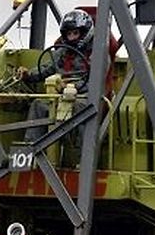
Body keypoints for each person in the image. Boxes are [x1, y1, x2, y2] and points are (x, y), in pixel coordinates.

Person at [20, 9, 110, 143]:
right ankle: (31, 148)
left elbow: (95, 82)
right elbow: (46, 68)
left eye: (75, 33)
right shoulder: (61, 52)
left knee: (79, 109)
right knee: (38, 105)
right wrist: (28, 74)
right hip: (61, 96)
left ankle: (83, 152)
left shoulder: (98, 53)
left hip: (87, 97)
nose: (72, 37)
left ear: (86, 32)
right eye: (69, 34)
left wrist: (70, 87)